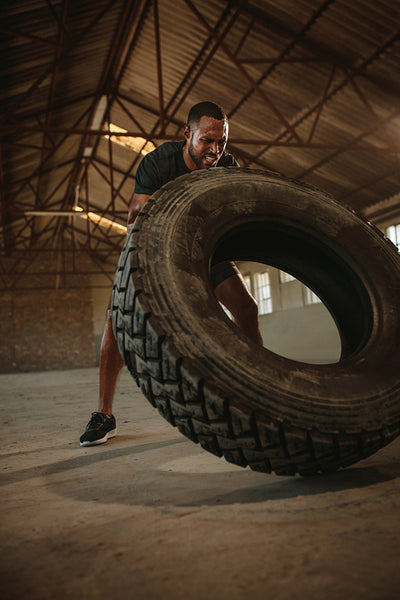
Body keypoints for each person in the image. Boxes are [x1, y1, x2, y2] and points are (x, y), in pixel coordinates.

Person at [80, 101, 263, 446]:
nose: (214, 149)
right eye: (207, 140)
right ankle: (104, 414)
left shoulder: (226, 165)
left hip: (205, 249)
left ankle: (255, 393)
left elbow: (233, 214)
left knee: (247, 307)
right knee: (114, 320)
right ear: (187, 133)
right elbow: (136, 215)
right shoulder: (158, 161)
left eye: (220, 141)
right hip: (151, 247)